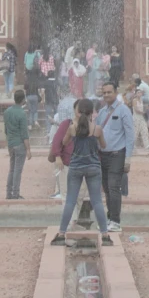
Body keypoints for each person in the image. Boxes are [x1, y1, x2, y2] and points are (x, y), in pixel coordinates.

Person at [51, 96, 115, 243]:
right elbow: (103, 146)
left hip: (75, 167)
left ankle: (61, 234)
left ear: (78, 112)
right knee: (97, 201)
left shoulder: (72, 128)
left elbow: (64, 141)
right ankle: (105, 235)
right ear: (92, 112)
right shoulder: (97, 129)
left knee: (70, 201)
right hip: (93, 167)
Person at [95, 81, 134, 224]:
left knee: (113, 186)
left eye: (109, 92)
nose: (106, 95)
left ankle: (116, 221)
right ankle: (110, 217)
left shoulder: (124, 110)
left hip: (118, 154)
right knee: (106, 188)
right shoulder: (102, 112)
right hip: (103, 155)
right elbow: (97, 132)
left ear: (116, 93)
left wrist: (128, 158)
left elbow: (130, 135)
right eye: (104, 93)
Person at [3, 91, 31, 199]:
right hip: (19, 143)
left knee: (12, 169)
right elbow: (24, 134)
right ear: (23, 100)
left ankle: (8, 193)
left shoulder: (7, 112)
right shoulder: (22, 113)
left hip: (11, 143)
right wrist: (28, 149)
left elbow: (6, 130)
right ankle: (15, 193)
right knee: (18, 170)